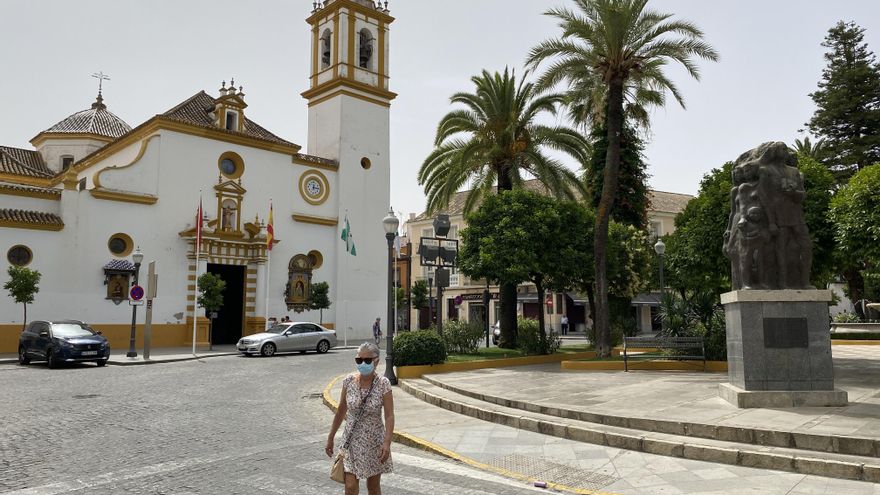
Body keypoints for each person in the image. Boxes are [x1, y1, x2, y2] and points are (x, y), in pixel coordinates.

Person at [326, 342, 394, 495]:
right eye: (359, 360)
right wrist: (330, 437)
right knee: (350, 486)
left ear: (376, 361)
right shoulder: (348, 381)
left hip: (374, 441)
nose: (363, 364)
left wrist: (387, 443)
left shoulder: (383, 384)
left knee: (373, 486)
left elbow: (389, 416)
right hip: (351, 440)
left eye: (367, 360)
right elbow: (341, 411)